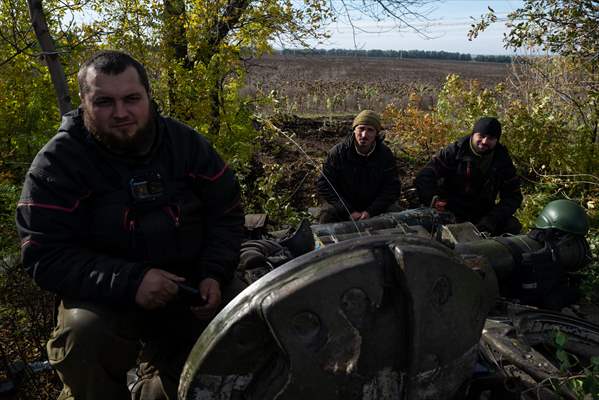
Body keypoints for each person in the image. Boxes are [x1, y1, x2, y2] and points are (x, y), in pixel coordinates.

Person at [15, 51, 245, 400]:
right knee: (83, 334)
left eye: (131, 99)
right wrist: (131, 281)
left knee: (248, 318)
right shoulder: (57, 163)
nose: (121, 113)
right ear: (84, 102)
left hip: (190, 287)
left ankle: (158, 385)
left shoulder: (185, 145)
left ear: (148, 97)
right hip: (108, 298)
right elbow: (43, 254)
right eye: (104, 101)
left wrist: (215, 271)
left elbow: (226, 212)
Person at [414, 116, 523, 235]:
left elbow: (513, 197)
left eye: (491, 138)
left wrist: (492, 219)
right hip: (449, 208)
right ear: (473, 134)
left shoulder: (502, 161)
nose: (485, 141)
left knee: (512, 225)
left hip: (481, 214)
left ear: (496, 140)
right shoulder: (455, 151)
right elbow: (425, 175)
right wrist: (432, 199)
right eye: (481, 136)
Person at [316, 110, 402, 223]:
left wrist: (371, 211)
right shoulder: (338, 153)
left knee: (397, 213)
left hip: (373, 208)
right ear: (354, 130)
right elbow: (324, 185)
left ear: (376, 133)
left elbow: (392, 187)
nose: (364, 135)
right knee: (327, 215)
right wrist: (348, 211)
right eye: (361, 129)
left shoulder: (385, 155)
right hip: (344, 208)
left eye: (370, 130)